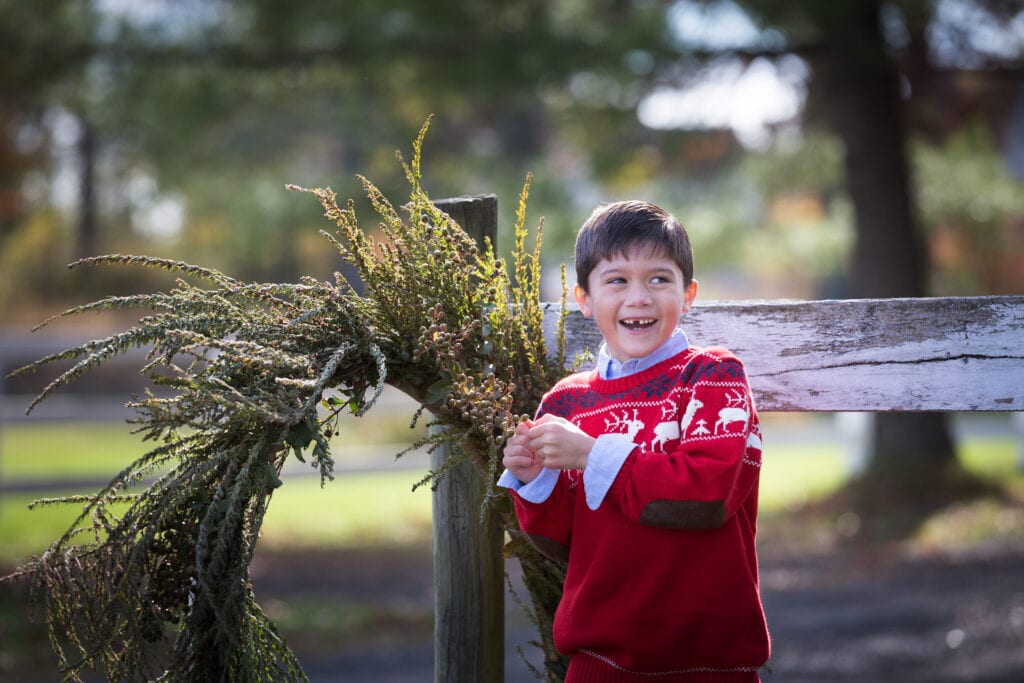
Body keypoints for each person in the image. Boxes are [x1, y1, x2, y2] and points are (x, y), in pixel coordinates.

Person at [498, 200, 770, 682]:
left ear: (688, 294)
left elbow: (709, 497)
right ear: (584, 299)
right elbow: (561, 540)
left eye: (659, 279)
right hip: (600, 664)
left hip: (713, 663)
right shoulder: (565, 402)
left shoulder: (711, 377)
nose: (639, 297)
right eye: (617, 280)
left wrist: (591, 454)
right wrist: (536, 480)